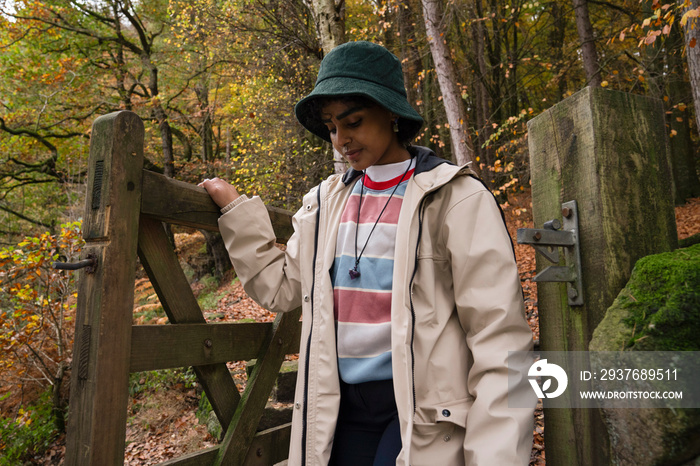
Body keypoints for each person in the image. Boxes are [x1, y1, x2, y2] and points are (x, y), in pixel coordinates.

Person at [200, 41, 535, 466]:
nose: (342, 140)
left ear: (391, 112)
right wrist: (235, 210)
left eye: (353, 122)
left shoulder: (456, 199)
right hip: (340, 410)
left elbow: (500, 337)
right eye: (331, 127)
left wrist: (496, 457)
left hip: (422, 410)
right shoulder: (323, 203)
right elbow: (282, 287)